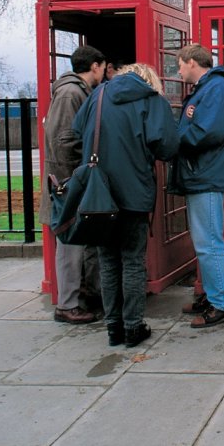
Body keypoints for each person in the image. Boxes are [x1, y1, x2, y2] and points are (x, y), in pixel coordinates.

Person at [72, 63, 178, 347]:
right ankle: (133, 327)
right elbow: (167, 147)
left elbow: (76, 129)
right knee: (132, 261)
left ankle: (113, 328)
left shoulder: (100, 94)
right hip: (135, 191)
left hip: (99, 194)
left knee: (108, 262)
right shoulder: (152, 100)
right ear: (149, 81)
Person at [173, 44, 224, 328]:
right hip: (202, 173)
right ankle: (214, 295)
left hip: (207, 174)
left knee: (210, 243)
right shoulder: (209, 88)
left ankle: (223, 304)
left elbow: (208, 131)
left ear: (192, 62)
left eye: (179, 64)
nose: (178, 71)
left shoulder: (217, 88)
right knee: (205, 241)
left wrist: (174, 140)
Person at [40, 45, 105, 324]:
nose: (104, 72)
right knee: (70, 245)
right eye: (103, 67)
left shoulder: (79, 91)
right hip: (68, 183)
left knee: (84, 243)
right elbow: (64, 141)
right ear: (94, 66)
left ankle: (85, 295)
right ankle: (67, 305)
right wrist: (89, 163)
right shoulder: (70, 93)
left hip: (76, 181)